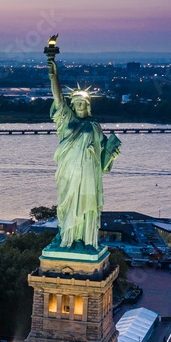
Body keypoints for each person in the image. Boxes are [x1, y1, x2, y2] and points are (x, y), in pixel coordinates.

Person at [46, 57, 120, 250]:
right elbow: (58, 99)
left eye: (83, 103)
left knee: (88, 205)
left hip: (89, 174)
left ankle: (85, 240)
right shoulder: (67, 122)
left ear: (88, 106)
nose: (80, 106)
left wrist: (111, 154)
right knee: (69, 204)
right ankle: (69, 239)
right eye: (76, 103)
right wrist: (54, 76)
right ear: (72, 106)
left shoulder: (95, 127)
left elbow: (103, 159)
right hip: (69, 172)